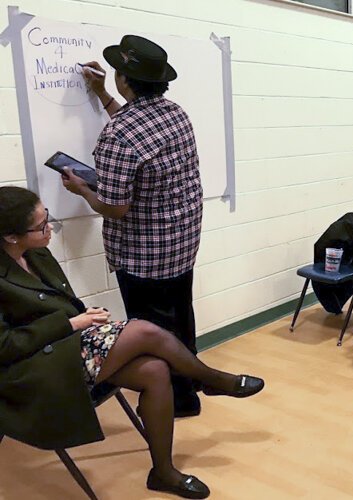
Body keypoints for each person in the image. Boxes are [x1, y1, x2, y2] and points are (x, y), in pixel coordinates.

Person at [0, 187, 264, 499]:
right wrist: (72, 323)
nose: (50, 229)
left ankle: (163, 473)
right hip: (29, 371)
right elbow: (5, 346)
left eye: (48, 218)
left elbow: (62, 303)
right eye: (42, 225)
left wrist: (84, 317)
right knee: (142, 331)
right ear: (11, 236)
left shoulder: (36, 253)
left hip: (66, 346)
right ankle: (210, 379)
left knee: (154, 370)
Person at [63, 35, 204, 417]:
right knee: (180, 315)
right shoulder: (175, 112)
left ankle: (174, 402)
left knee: (154, 333)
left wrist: (82, 191)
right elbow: (139, 134)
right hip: (182, 241)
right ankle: (189, 391)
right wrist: (104, 96)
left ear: (125, 79)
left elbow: (115, 208)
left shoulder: (119, 133)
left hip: (144, 254)